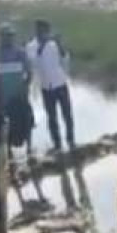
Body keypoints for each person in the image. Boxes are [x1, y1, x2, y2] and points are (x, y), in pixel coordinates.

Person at [26, 19, 75, 151]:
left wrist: (60, 45)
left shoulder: (54, 44)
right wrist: (42, 45)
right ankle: (57, 144)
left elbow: (65, 60)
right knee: (52, 117)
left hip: (60, 83)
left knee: (67, 114)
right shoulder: (31, 46)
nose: (43, 33)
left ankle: (71, 140)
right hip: (46, 87)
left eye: (45, 31)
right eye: (40, 31)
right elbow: (34, 63)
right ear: (36, 31)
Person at [0, 24, 35, 157]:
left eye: (11, 36)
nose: (8, 39)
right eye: (5, 36)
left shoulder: (21, 53)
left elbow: (29, 73)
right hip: (3, 96)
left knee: (26, 120)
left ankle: (29, 147)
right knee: (5, 124)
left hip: (19, 95)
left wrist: (25, 87)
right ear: (1, 37)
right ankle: (9, 151)